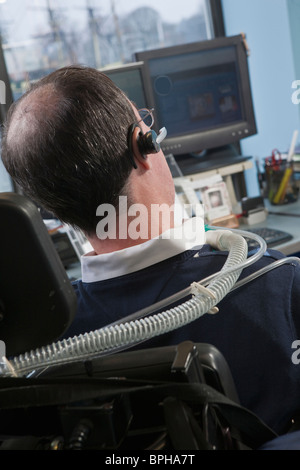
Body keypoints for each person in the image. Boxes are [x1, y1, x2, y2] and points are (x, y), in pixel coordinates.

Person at [1, 65, 300, 439]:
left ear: (48, 206)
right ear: (143, 149)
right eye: (144, 122)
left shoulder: (37, 346)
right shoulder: (275, 281)